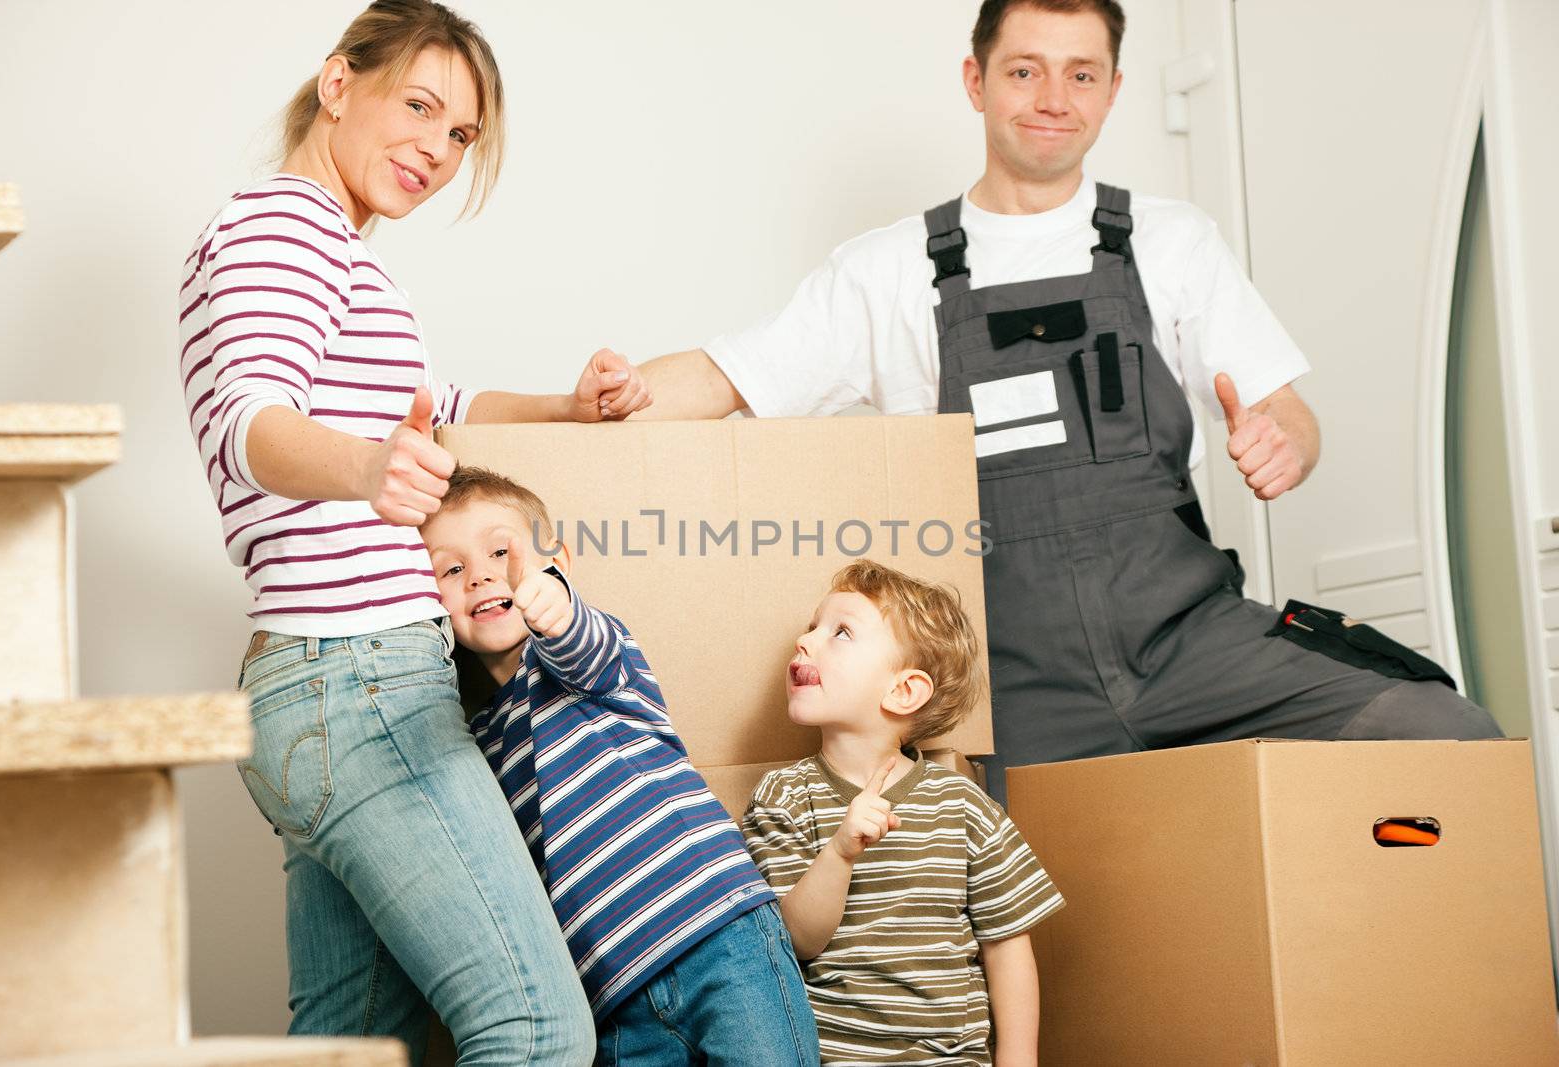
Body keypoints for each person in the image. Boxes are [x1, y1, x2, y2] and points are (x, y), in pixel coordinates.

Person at [605, 0, 1501, 796]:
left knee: (1445, 733)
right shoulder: (887, 272)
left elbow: (1289, 414)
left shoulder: (1171, 241)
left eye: (1081, 74)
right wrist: (600, 402)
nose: (1053, 97)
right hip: (1007, 683)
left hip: (1190, 643)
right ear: (976, 80)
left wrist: (1287, 445)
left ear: (1112, 90)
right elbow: (727, 378)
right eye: (1024, 70)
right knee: (985, 905)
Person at [180, 2, 649, 1061]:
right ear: (339, 82)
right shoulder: (281, 226)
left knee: (352, 1042)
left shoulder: (339, 256)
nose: (437, 151)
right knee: (535, 1028)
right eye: (421, 106)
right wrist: (363, 467)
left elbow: (434, 400)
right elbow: (256, 417)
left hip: (311, 690)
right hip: (360, 683)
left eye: (461, 135)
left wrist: (565, 408)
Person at [419, 466, 822, 1065]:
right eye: (451, 570)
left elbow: (582, 640)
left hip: (717, 932)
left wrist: (555, 609)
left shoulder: (592, 662)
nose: (479, 574)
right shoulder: (472, 738)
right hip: (608, 995)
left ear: (557, 562)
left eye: (501, 551)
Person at [742, 560, 1064, 1066]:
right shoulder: (782, 795)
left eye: (840, 632)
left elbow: (1007, 947)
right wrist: (840, 853)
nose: (805, 642)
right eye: (811, 629)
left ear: (903, 690)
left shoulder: (964, 806)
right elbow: (795, 942)